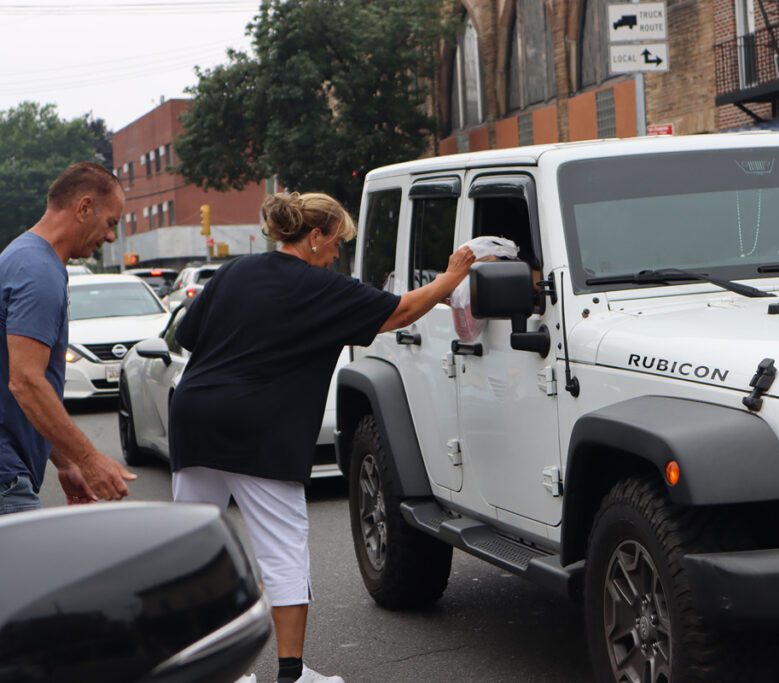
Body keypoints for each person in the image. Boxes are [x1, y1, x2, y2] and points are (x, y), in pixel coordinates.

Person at [169, 191, 475, 683]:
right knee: (283, 547)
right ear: (314, 238)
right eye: (336, 244)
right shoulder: (321, 288)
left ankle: (209, 673)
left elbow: (187, 335)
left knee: (190, 548)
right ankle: (291, 674)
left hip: (195, 416)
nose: (337, 255)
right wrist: (451, 278)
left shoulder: (233, 273)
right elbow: (400, 311)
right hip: (260, 430)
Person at [0, 162, 137, 514]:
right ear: (84, 207)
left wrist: (65, 462)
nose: (110, 237)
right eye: (111, 223)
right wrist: (88, 458)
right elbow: (25, 381)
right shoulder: (37, 271)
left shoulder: (24, 257)